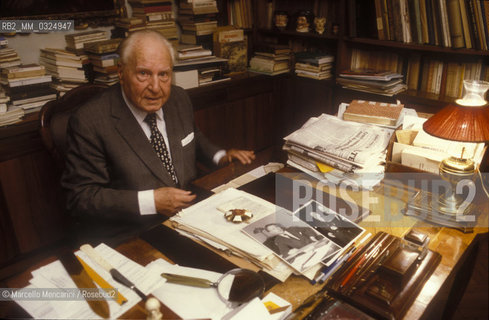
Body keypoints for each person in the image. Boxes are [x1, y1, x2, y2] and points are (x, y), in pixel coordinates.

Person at [61, 30, 255, 241]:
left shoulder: (178, 98)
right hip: (134, 234)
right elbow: (81, 198)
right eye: (143, 74)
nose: (156, 88)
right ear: (121, 72)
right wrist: (151, 202)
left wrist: (221, 157)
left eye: (163, 75)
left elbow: (193, 138)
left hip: (191, 216)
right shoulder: (89, 121)